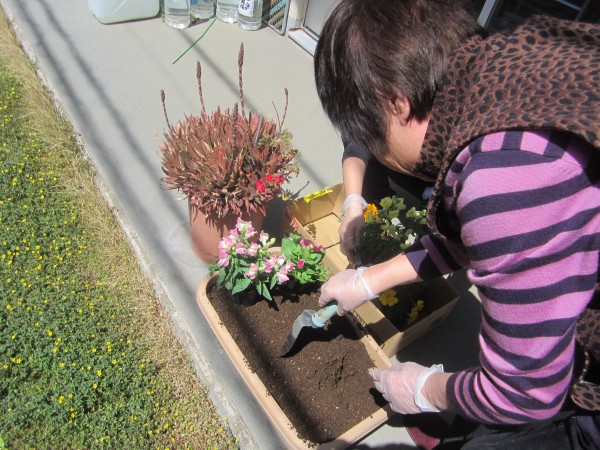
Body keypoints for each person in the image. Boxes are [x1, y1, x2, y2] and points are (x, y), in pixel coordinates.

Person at [314, 0, 600, 448]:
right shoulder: (504, 64)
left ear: (397, 104)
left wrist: (426, 389)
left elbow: (523, 392)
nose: (375, 150)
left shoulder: (504, 180)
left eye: (370, 133)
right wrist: (368, 282)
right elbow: (475, 237)